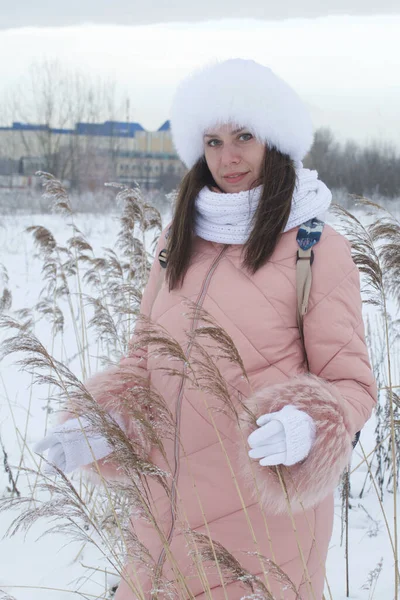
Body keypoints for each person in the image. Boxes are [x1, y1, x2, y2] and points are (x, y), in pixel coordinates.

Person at [34, 58, 377, 599]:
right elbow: (144, 363)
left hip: (262, 518)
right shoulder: (178, 239)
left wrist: (306, 427)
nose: (229, 156)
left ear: (275, 141)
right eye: (212, 141)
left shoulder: (315, 246)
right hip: (163, 509)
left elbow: (352, 385)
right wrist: (103, 424)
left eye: (244, 136)